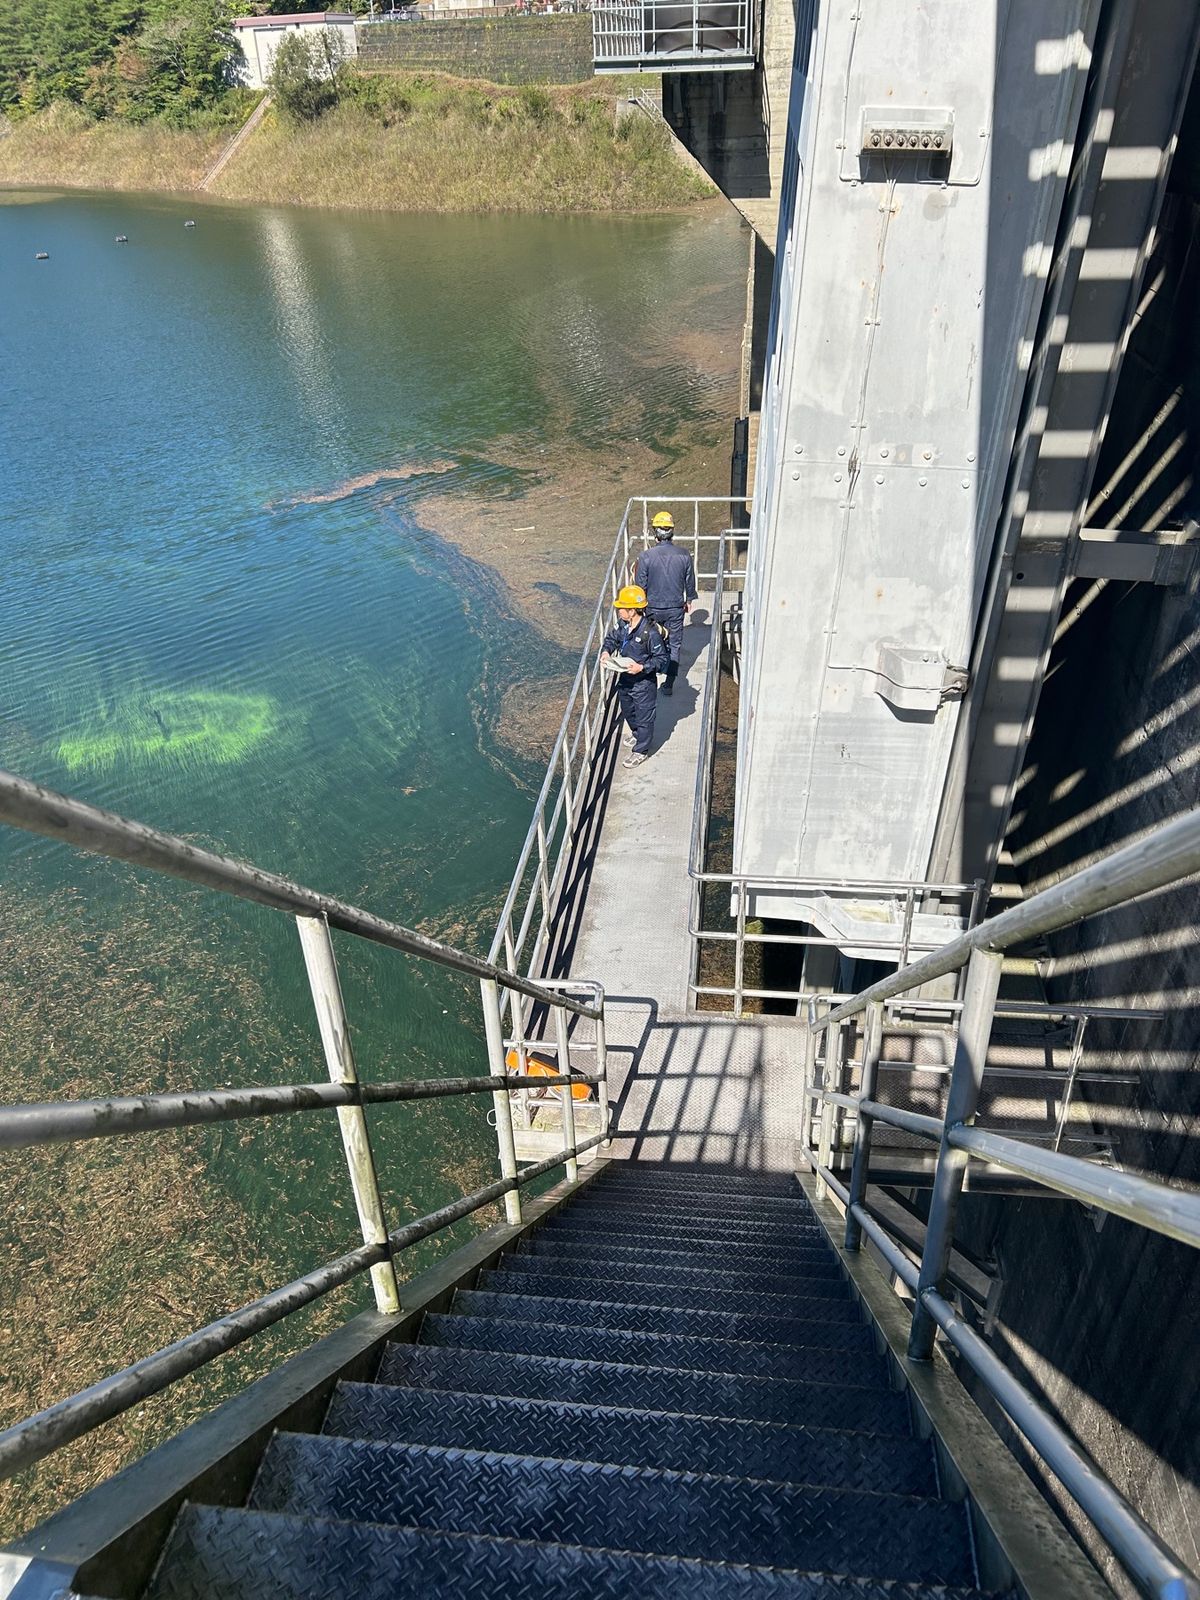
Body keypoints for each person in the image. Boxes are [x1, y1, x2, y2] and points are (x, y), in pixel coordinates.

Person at [601, 583, 670, 768]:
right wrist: (606, 652)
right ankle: (637, 733)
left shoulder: (650, 633)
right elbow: (611, 639)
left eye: (622, 608)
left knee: (644, 715)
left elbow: (662, 659)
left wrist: (642, 667)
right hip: (625, 678)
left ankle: (641, 750)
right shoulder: (623, 625)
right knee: (628, 709)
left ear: (632, 611)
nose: (619, 611)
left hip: (643, 683)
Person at [634, 511, 697, 695]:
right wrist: (689, 599)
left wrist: (639, 608)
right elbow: (689, 581)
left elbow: (640, 585)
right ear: (672, 532)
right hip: (676, 607)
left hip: (652, 607)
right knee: (675, 644)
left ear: (655, 532)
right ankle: (669, 684)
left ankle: (650, 676)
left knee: (650, 640)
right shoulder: (684, 555)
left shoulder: (646, 556)